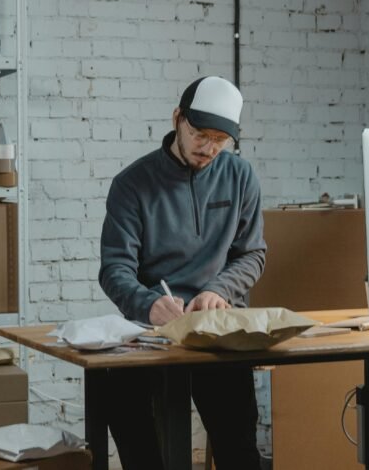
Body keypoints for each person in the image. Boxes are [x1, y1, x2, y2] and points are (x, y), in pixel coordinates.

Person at [98, 76, 267, 470]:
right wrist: (148, 304)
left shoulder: (240, 177)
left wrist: (219, 289)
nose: (208, 148)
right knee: (127, 413)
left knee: (239, 449)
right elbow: (114, 269)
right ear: (178, 119)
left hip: (218, 326)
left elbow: (252, 254)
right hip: (153, 331)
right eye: (199, 134)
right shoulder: (131, 185)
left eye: (220, 140)